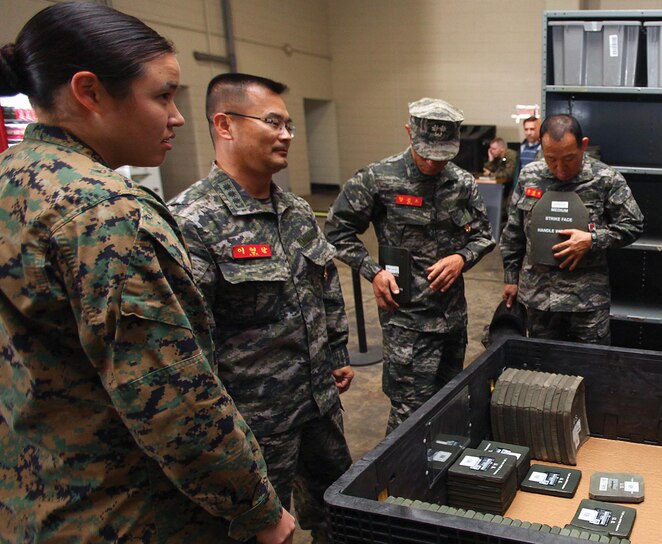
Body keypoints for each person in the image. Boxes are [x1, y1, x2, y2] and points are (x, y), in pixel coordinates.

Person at [0, 5, 294, 543]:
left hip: (35, 496)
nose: (178, 116)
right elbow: (172, 398)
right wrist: (257, 508)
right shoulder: (105, 212)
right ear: (89, 92)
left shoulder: (14, 181)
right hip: (128, 511)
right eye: (162, 96)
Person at [167, 73, 353, 543]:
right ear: (225, 125)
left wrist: (337, 352)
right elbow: (186, 348)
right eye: (273, 122)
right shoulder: (191, 222)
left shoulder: (295, 211)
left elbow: (326, 287)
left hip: (319, 407)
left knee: (341, 513)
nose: (287, 134)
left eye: (289, 124)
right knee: (263, 533)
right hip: (255, 428)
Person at [325, 98, 495, 434]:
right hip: (407, 324)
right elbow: (336, 231)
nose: (433, 162)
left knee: (448, 404)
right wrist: (372, 272)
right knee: (409, 419)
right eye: (425, 152)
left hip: (452, 320)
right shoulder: (377, 178)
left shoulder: (462, 183)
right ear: (409, 132)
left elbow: (483, 235)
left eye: (442, 154)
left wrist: (462, 257)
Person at [500, 114, 644, 344]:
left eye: (569, 158)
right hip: (539, 299)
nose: (560, 168)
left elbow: (634, 225)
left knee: (591, 368)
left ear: (583, 145)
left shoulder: (605, 179)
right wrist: (510, 278)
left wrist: (592, 239)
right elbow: (513, 232)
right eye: (551, 159)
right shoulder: (530, 177)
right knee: (542, 370)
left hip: (586, 300)